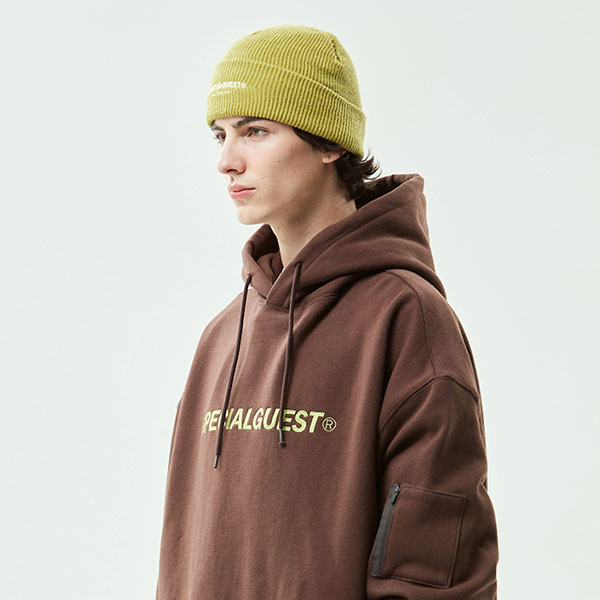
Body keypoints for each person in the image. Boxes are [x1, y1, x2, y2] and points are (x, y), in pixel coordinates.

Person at [155, 24, 499, 600]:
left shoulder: (406, 318)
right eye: (220, 135)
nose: (227, 161)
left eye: (255, 131)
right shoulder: (223, 335)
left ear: (329, 143)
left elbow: (435, 575)